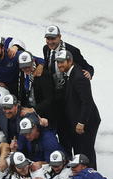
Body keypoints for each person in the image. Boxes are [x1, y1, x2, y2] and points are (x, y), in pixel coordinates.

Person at [42, 25, 94, 155]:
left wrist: (89, 72)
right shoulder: (46, 49)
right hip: (55, 95)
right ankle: (66, 157)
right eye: (47, 38)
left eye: (53, 38)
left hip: (68, 94)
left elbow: (87, 66)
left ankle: (76, 157)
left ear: (59, 37)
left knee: (70, 126)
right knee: (60, 128)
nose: (50, 41)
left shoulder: (72, 51)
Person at [56, 49, 101, 170]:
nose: (59, 65)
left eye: (62, 62)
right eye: (58, 62)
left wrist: (81, 123)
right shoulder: (70, 74)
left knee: (86, 153)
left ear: (70, 61)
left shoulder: (78, 77)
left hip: (86, 123)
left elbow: (87, 102)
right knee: (80, 151)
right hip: (77, 121)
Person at [15, 51, 55, 126]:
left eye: (28, 66)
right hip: (26, 107)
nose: (26, 69)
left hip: (42, 113)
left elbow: (50, 98)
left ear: (33, 61)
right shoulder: (20, 70)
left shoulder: (43, 75)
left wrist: (33, 109)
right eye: (24, 67)